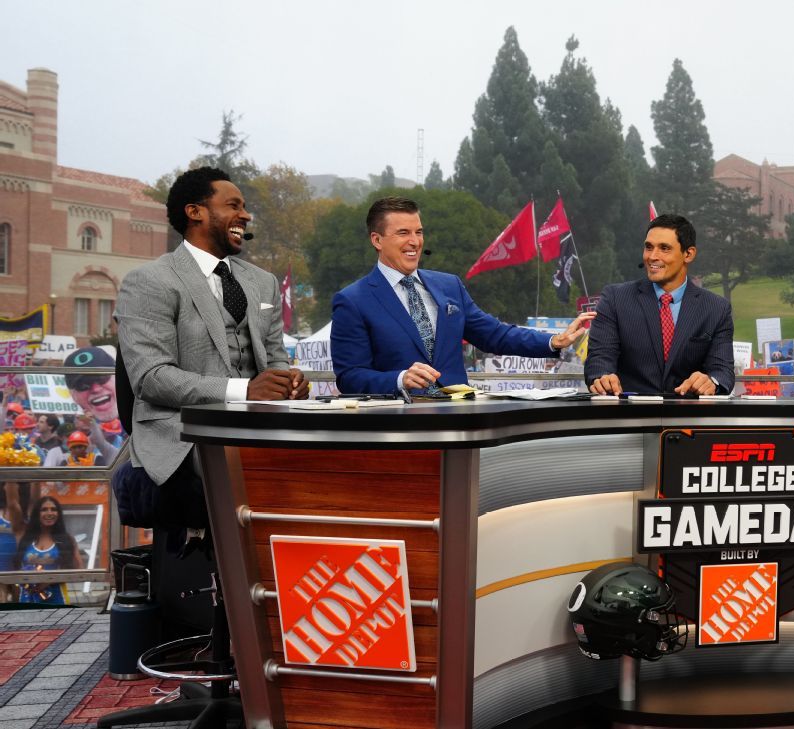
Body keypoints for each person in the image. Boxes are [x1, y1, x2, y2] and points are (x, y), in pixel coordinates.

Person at [114, 166, 308, 539]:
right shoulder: (150, 281)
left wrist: (289, 383)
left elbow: (275, 359)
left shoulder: (262, 282)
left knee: (329, 461)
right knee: (268, 475)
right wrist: (246, 390)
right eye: (233, 205)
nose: (246, 216)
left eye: (244, 207)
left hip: (258, 428)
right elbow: (152, 378)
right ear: (195, 212)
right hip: (183, 434)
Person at [331, 197, 592, 395]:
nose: (415, 241)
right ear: (377, 240)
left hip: (458, 423)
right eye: (403, 233)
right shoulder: (353, 301)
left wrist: (554, 341)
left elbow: (495, 335)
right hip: (398, 428)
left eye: (418, 232)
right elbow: (350, 377)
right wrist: (399, 379)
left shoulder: (449, 286)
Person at [584, 214, 734, 396]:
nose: (652, 256)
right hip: (629, 411)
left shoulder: (717, 308)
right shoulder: (615, 298)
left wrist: (711, 382)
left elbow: (722, 371)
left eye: (664, 248)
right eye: (648, 247)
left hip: (689, 412)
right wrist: (602, 377)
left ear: (688, 254)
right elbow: (599, 358)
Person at [14, 496, 83, 604]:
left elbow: (78, 569)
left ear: (59, 514)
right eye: (44, 509)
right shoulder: (25, 538)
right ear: (37, 514)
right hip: (27, 598)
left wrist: (50, 580)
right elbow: (16, 568)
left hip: (57, 598)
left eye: (53, 509)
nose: (49, 513)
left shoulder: (67, 539)